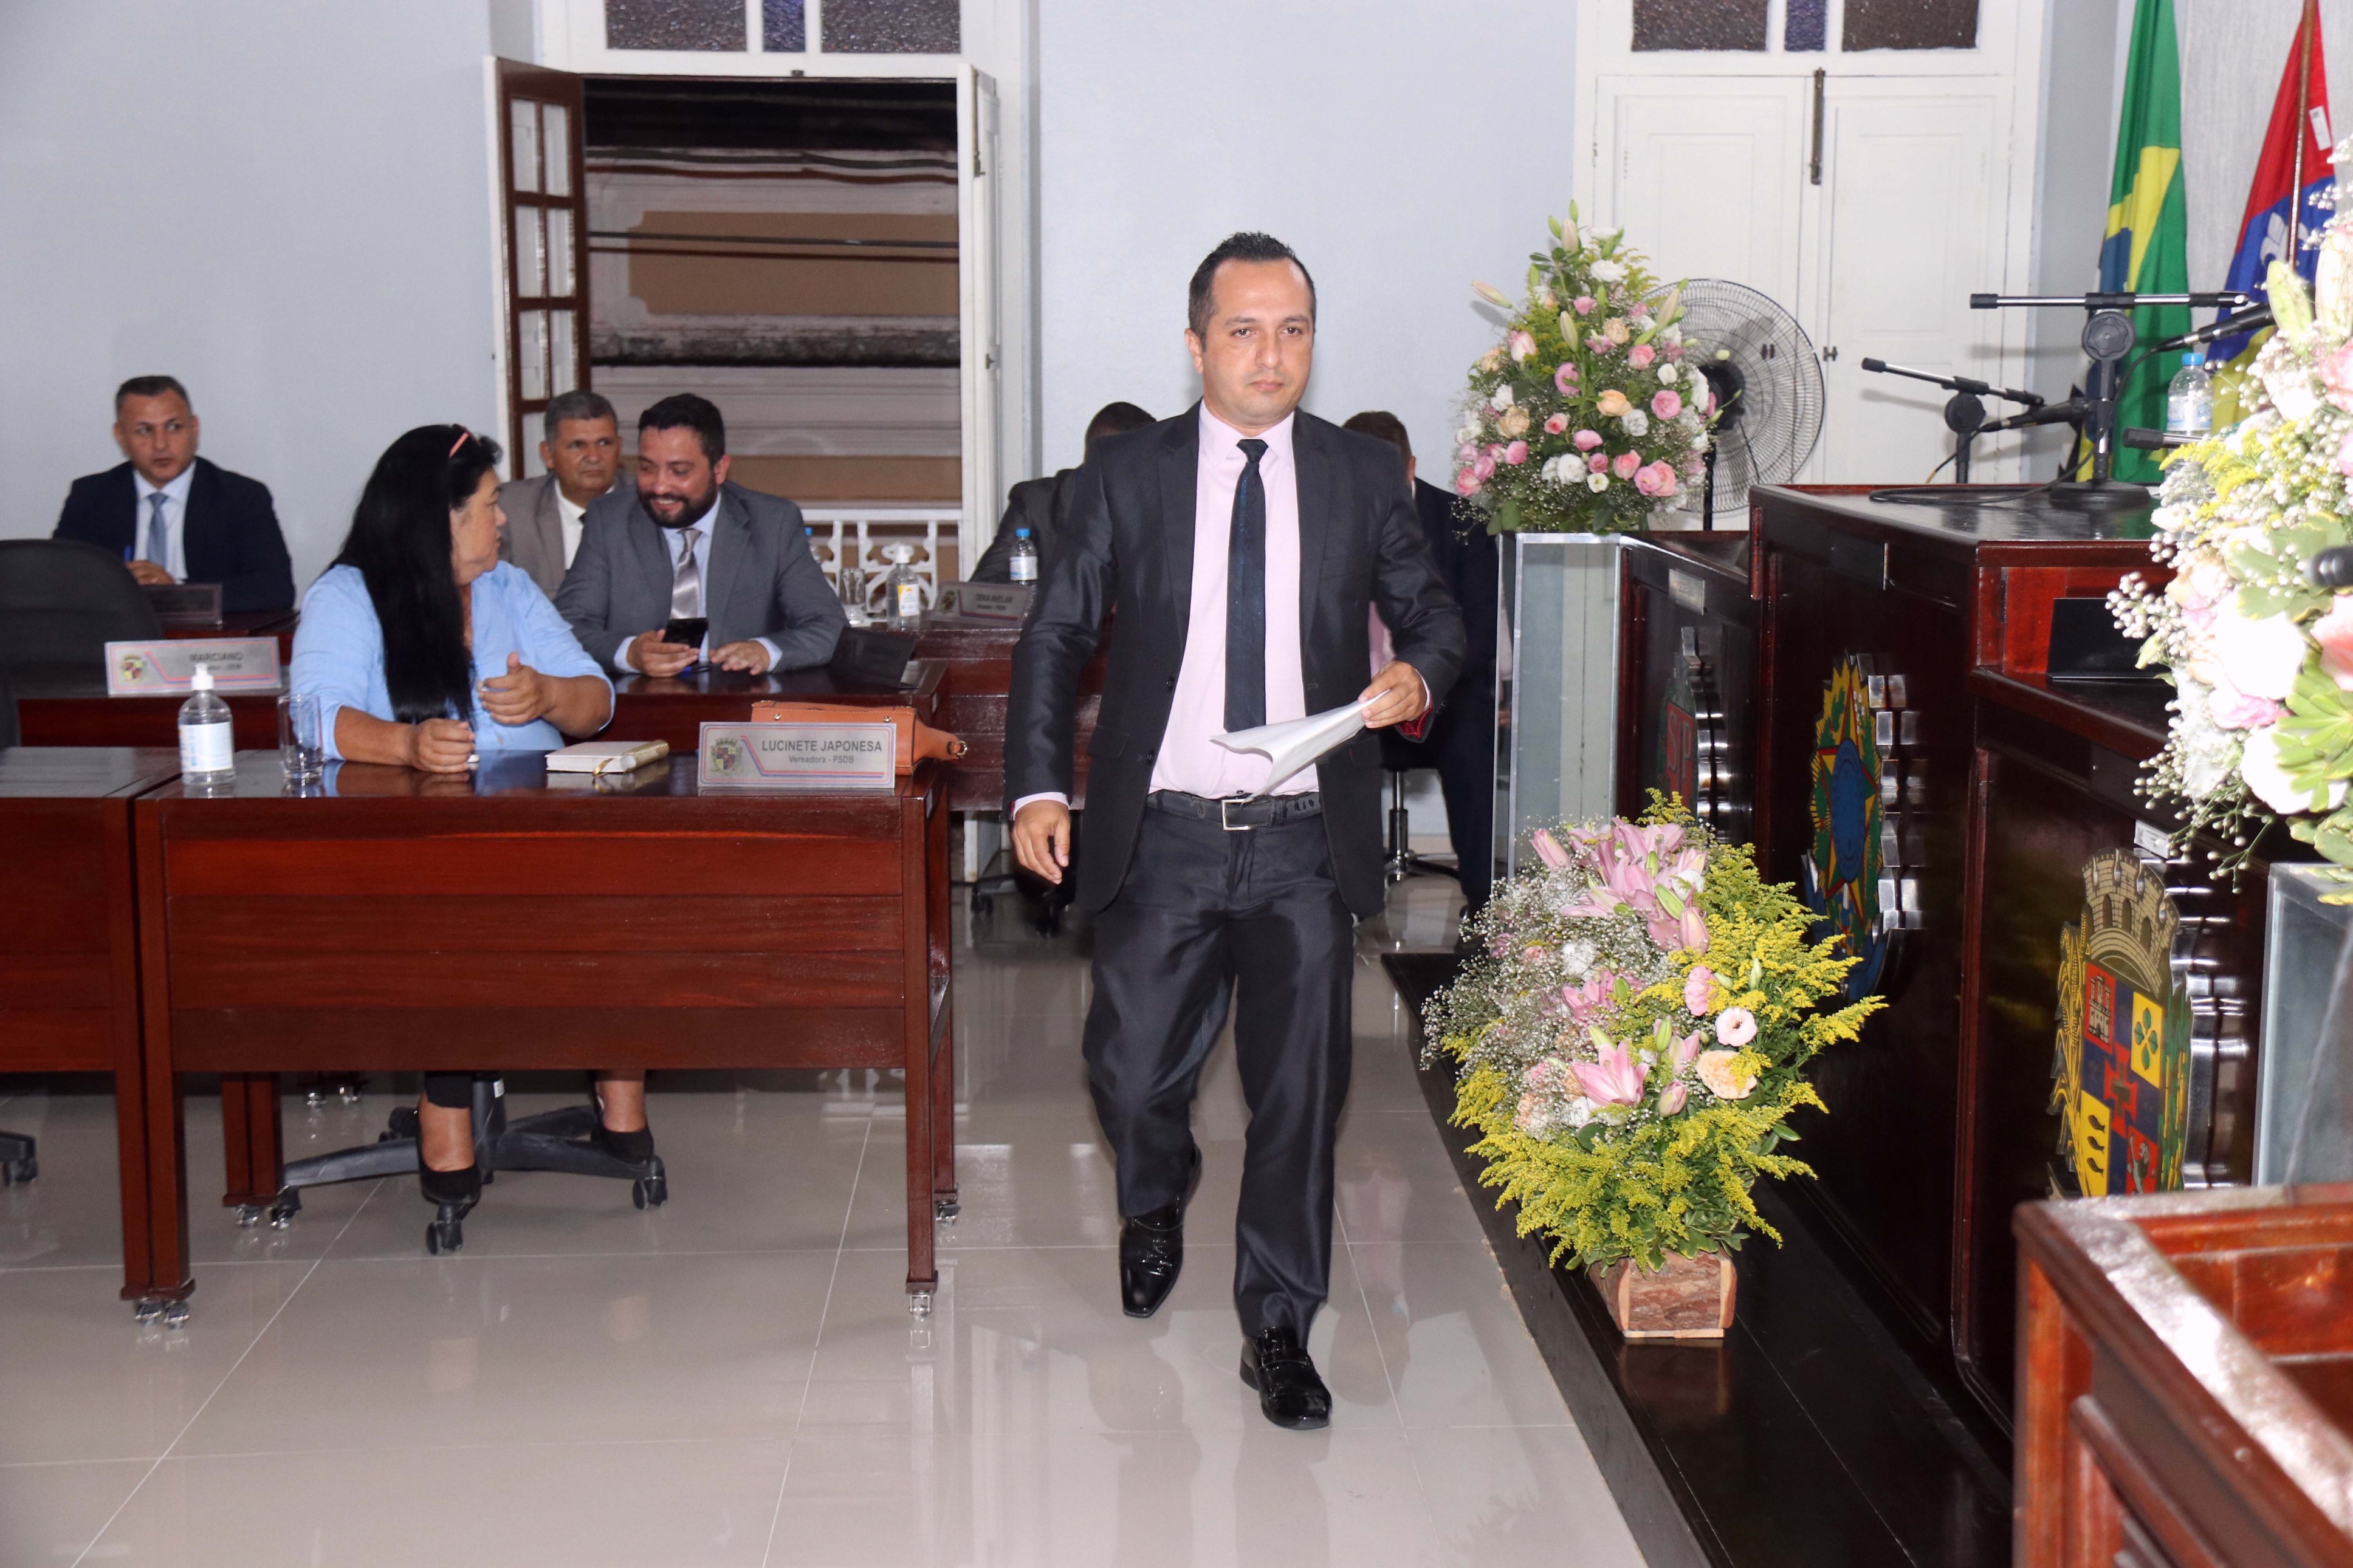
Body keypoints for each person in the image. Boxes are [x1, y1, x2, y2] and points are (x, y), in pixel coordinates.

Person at [1005, 233, 1465, 1431]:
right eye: (1245, 330)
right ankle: (1154, 1189)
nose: (1272, 355)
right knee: (1129, 1072)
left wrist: (1418, 670)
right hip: (1163, 833)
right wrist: (1037, 786)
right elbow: (1055, 635)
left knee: (1299, 1096)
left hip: (1305, 839)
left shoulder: (1362, 474)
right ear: (1197, 344)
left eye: (1293, 330)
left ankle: (1277, 1326)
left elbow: (1433, 614)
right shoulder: (1126, 475)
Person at [290, 423, 648, 1209]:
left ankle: (619, 1082)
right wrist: (407, 744)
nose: (502, 519)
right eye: (488, 505)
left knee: (627, 883)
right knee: (460, 908)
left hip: (534, 825)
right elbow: (315, 716)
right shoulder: (347, 596)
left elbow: (598, 700)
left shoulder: (508, 589)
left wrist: (549, 696)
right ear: (439, 520)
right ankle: (445, 1107)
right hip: (409, 844)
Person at [555, 393, 845, 677]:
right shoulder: (610, 520)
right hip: (639, 697)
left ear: (719, 470)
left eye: (679, 471)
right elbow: (565, 627)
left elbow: (829, 627)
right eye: (647, 469)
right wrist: (629, 653)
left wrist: (765, 651)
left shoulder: (773, 523)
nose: (660, 486)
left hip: (738, 694)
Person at [1342, 409, 1500, 916]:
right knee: (1323, 744)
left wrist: (1423, 683)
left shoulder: (1463, 522)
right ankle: (1345, 898)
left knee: (1473, 737)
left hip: (1441, 695)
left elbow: (1480, 637)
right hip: (1350, 699)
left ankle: (1484, 903)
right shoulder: (1319, 518)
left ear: (1411, 468)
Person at [53, 375, 295, 612]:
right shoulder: (90, 496)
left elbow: (276, 588)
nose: (161, 444)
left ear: (194, 429)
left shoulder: (241, 496)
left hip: (208, 637)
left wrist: (178, 593)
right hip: (118, 633)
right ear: (121, 437)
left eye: (173, 427)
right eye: (144, 431)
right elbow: (57, 582)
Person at [969, 401, 1156, 583]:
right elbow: (985, 585)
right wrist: (1052, 598)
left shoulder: (1158, 502)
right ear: (1097, 460)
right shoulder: (1036, 503)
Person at [500, 389, 622, 597]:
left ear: (619, 447)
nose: (594, 457)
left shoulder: (648, 505)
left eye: (604, 443)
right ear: (548, 454)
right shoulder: (510, 509)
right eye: (577, 445)